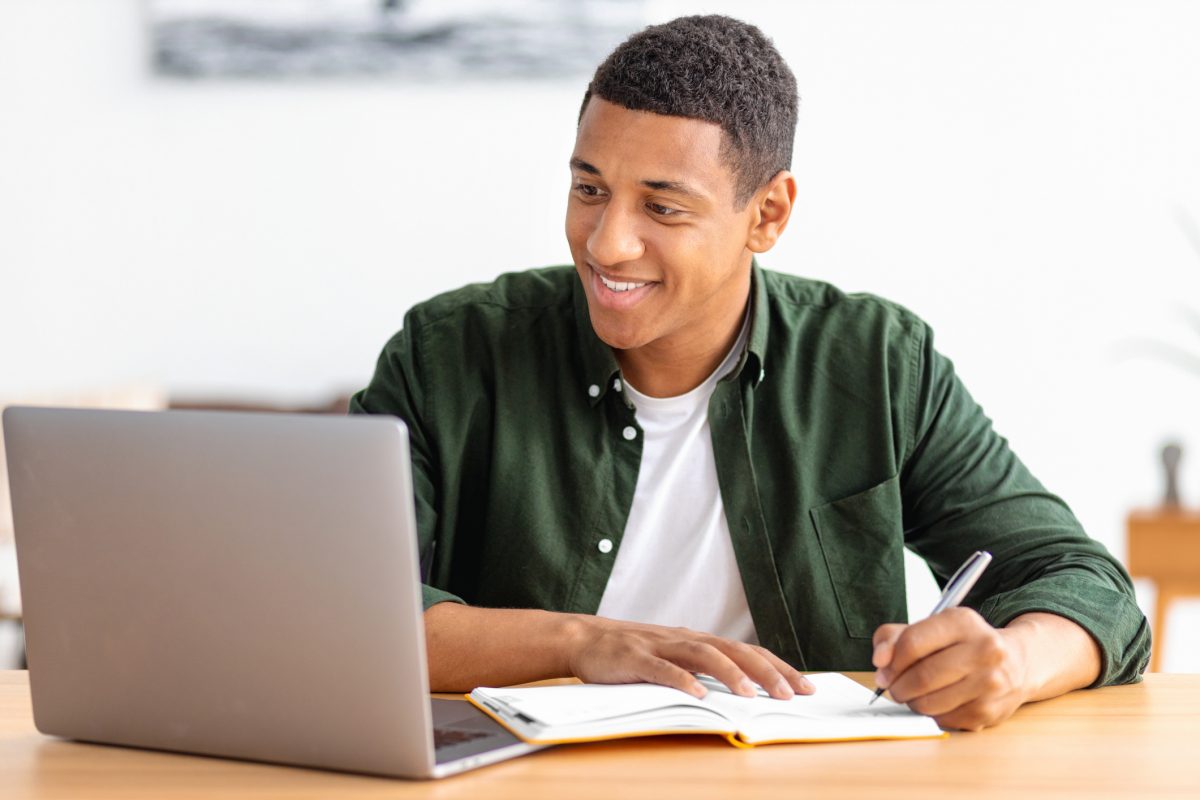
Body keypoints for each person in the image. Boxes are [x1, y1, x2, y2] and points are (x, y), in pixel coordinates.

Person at [351, 15, 1149, 731]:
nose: (606, 243)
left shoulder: (873, 360)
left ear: (767, 214)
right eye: (589, 189)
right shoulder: (446, 354)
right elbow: (345, 613)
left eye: (662, 208)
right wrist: (583, 642)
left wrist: (1012, 663)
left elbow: (1086, 586)